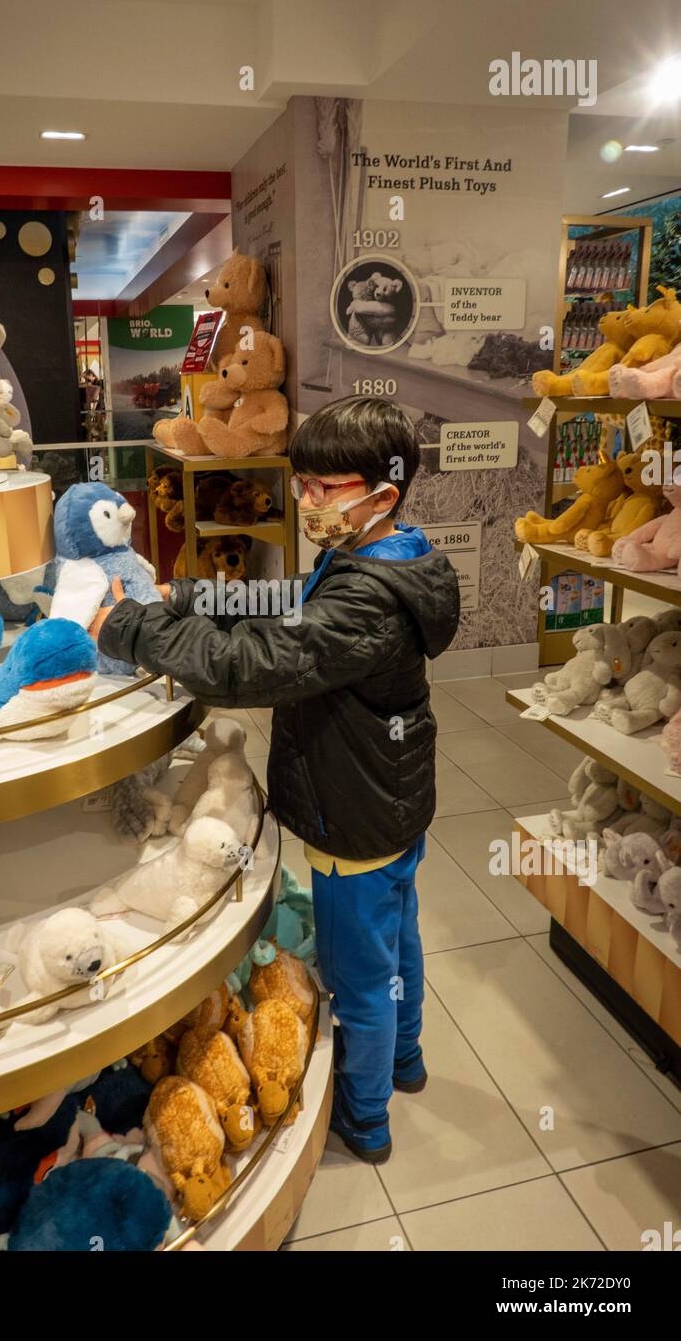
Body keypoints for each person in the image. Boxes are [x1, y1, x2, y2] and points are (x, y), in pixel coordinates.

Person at [91, 397, 460, 1163]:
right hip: (391, 799)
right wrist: (189, 596)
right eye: (303, 483)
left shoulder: (365, 599)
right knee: (398, 939)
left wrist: (131, 628)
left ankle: (366, 1119)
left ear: (382, 494)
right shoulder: (388, 558)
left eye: (324, 487)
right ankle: (406, 1062)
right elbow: (283, 602)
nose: (306, 501)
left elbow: (250, 666)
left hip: (350, 812)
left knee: (361, 976)